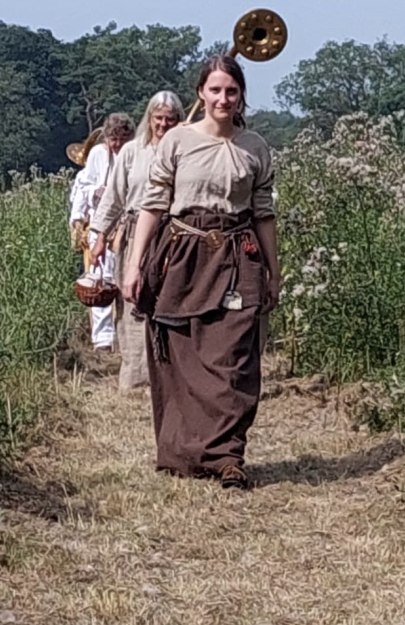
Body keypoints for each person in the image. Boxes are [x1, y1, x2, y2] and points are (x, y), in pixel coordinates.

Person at [122, 56, 280, 490]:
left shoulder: (256, 147)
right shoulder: (177, 142)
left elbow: (263, 214)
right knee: (184, 353)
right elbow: (152, 206)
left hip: (237, 255)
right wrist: (134, 267)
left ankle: (229, 456)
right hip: (183, 254)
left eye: (231, 90)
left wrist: (274, 272)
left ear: (241, 94)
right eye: (215, 90)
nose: (223, 98)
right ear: (201, 94)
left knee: (234, 359)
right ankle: (189, 450)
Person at [90, 91, 186, 391]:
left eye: (170, 119)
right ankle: (136, 376)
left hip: (175, 235)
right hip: (135, 236)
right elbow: (114, 196)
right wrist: (100, 236)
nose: (164, 125)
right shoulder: (132, 152)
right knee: (133, 301)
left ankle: (172, 376)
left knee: (172, 302)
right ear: (149, 118)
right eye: (158, 119)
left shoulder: (187, 151)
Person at [69, 113, 135, 351]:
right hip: (100, 223)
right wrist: (94, 195)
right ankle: (103, 341)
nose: (117, 144)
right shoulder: (97, 154)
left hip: (128, 224)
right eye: (113, 139)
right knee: (98, 282)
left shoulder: (136, 154)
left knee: (126, 281)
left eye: (122, 139)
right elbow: (83, 185)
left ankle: (125, 338)